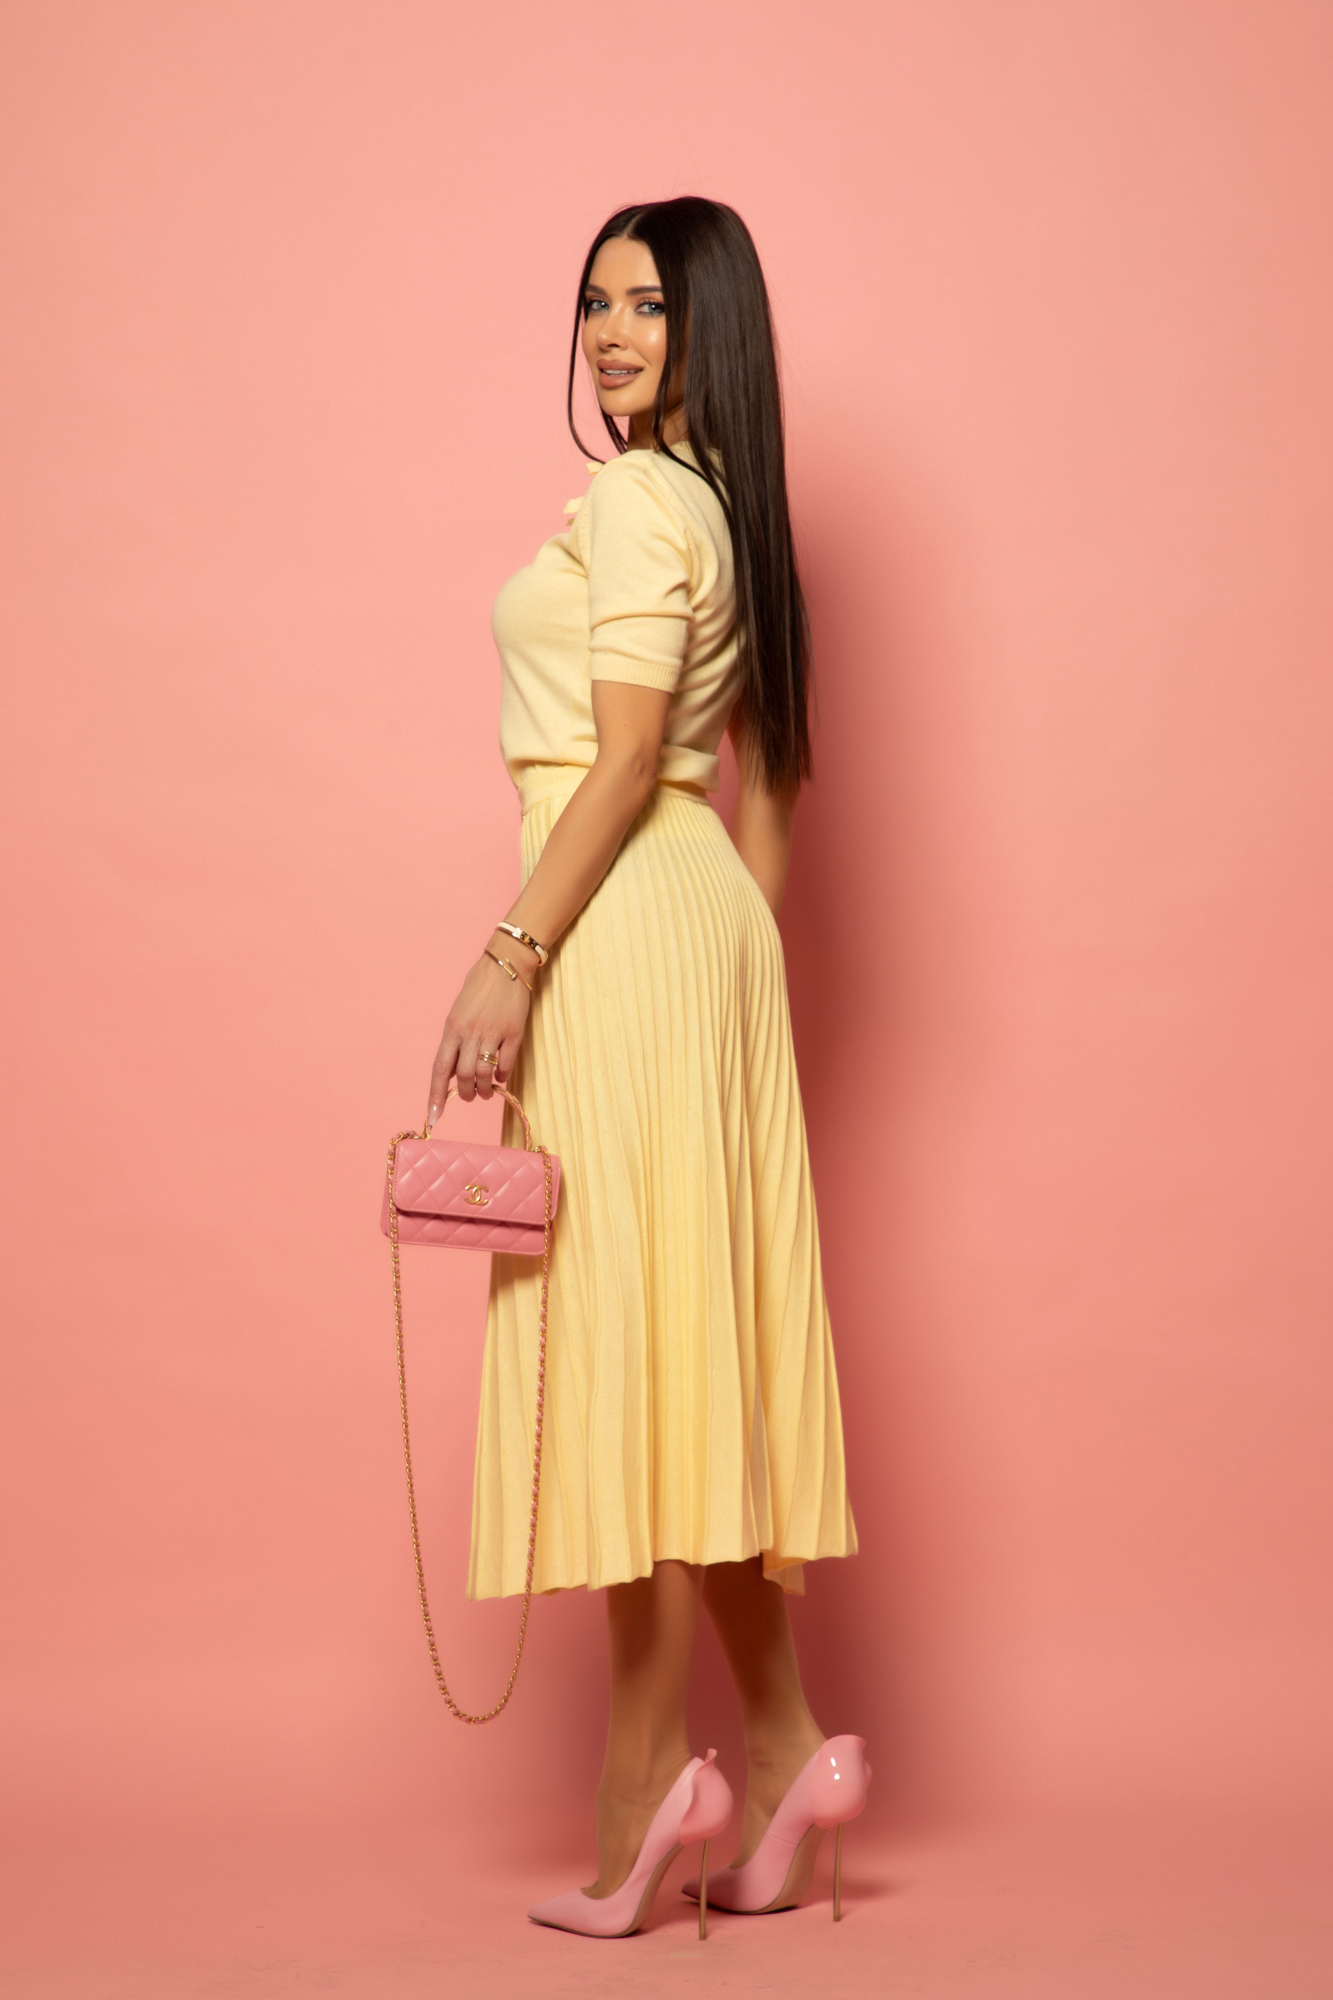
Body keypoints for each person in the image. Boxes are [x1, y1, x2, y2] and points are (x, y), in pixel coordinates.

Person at [427, 197, 867, 1939]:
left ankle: (636, 1802)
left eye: (649, 306)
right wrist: (726, 956)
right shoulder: (727, 510)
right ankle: (783, 1748)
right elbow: (770, 776)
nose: (609, 333)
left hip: (613, 912)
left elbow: (617, 764)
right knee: (687, 1343)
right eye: (596, 301)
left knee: (625, 1348)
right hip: (695, 919)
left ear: (710, 330)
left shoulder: (634, 501)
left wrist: (513, 952)